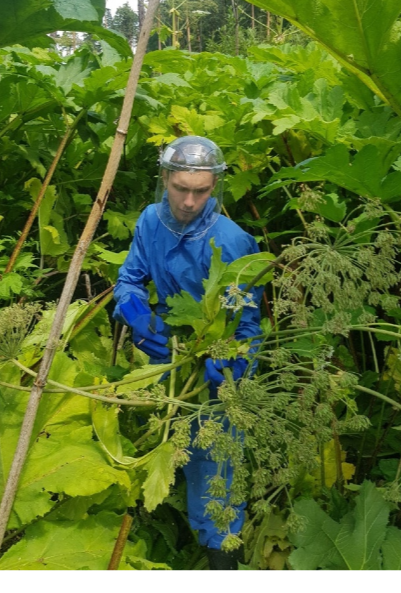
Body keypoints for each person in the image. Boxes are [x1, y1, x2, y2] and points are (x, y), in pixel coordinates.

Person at [113, 135, 262, 570]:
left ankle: (221, 556)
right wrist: (133, 312)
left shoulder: (233, 241)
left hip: (215, 367)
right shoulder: (149, 221)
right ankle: (160, 526)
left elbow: (249, 324)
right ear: (164, 179)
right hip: (167, 353)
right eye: (181, 188)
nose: (190, 201)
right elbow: (130, 277)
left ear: (214, 186)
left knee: (215, 460)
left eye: (201, 191)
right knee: (166, 441)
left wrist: (235, 359)